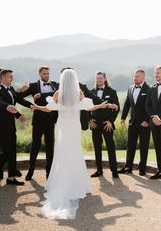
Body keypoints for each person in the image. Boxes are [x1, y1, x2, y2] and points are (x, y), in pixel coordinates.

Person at [31, 69, 108, 220]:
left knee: (61, 155)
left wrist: (37, 107)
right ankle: (76, 185)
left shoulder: (57, 94)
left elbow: (48, 108)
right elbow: (89, 107)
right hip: (73, 128)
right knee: (75, 153)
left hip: (62, 128)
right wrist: (101, 106)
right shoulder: (78, 93)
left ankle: (61, 184)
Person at [0, 69, 34, 187]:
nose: (12, 79)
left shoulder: (10, 90)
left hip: (11, 126)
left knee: (12, 152)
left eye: (12, 77)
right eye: (10, 77)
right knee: (6, 153)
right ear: (3, 78)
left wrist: (28, 108)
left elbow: (19, 100)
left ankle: (11, 177)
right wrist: (8, 106)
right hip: (2, 128)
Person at [18, 66, 57, 181]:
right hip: (38, 120)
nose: (46, 76)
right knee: (35, 145)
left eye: (48, 74)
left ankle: (49, 173)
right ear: (40, 74)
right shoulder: (33, 86)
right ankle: (30, 171)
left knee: (50, 147)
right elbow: (18, 97)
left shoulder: (55, 85)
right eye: (44, 74)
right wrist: (30, 105)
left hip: (51, 120)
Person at [88, 72, 120, 178]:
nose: (98, 80)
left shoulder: (112, 91)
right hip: (95, 124)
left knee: (111, 147)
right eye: (97, 78)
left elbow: (116, 108)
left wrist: (111, 121)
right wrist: (89, 120)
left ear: (105, 79)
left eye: (100, 78)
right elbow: (85, 108)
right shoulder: (91, 92)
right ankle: (99, 170)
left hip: (107, 124)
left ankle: (114, 171)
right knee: (97, 147)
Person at [119, 69, 150, 175]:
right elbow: (127, 103)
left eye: (137, 76)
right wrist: (123, 117)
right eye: (134, 76)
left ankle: (142, 169)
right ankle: (128, 167)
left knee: (143, 146)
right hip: (132, 122)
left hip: (144, 124)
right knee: (130, 145)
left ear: (143, 78)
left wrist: (147, 121)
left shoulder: (149, 89)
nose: (135, 78)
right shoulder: (130, 88)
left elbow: (151, 107)